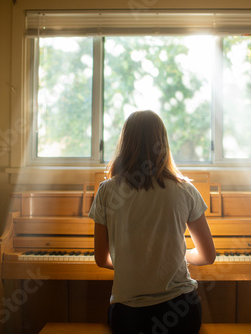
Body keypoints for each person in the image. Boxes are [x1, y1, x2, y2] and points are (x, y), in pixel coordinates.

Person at [88, 110, 216, 334]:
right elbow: (207, 256)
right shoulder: (185, 189)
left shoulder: (106, 191)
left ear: (125, 143)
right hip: (181, 311)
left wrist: (134, 262)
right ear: (163, 143)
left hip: (130, 316)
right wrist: (177, 255)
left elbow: (101, 258)